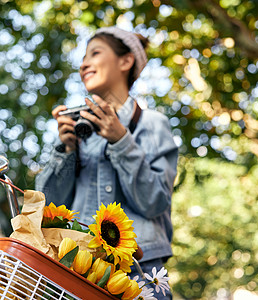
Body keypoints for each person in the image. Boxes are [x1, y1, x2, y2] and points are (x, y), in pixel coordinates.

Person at [35, 26, 178, 299]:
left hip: (140, 268)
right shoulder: (77, 128)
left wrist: (121, 140)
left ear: (126, 61)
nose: (84, 64)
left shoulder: (152, 124)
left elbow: (156, 201)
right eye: (83, 57)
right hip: (77, 265)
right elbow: (47, 205)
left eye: (95, 53)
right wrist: (65, 150)